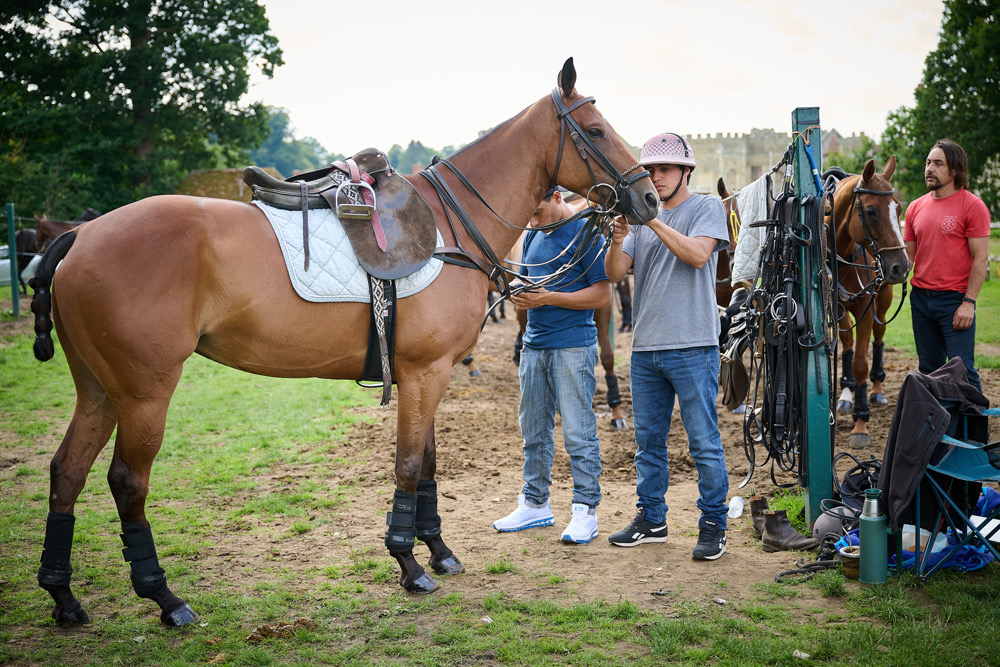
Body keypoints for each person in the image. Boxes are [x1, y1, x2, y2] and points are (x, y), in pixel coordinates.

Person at [604, 132, 730, 560]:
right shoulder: (641, 222)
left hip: (694, 345)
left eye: (664, 169)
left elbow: (697, 255)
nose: (655, 177)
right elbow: (616, 272)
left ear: (685, 171)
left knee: (704, 443)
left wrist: (650, 218)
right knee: (648, 444)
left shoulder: (705, 207)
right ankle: (652, 519)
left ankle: (714, 524)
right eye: (650, 170)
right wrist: (619, 236)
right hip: (645, 349)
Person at [493, 187, 611, 544]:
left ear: (557, 198)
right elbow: (530, 278)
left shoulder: (584, 233)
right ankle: (535, 503)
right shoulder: (532, 234)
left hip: (573, 347)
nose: (532, 221)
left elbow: (603, 294)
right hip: (534, 346)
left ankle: (585, 511)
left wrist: (549, 298)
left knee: (578, 433)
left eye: (538, 212)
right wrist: (516, 288)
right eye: (528, 215)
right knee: (533, 431)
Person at [903, 139, 991, 392]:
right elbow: (910, 258)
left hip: (955, 301)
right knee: (929, 370)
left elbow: (980, 259)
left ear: (954, 171)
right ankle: (939, 430)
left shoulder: (972, 205)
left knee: (962, 371)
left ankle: (974, 433)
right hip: (920, 300)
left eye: (938, 163)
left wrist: (969, 302)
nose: (929, 168)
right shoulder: (915, 207)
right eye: (928, 162)